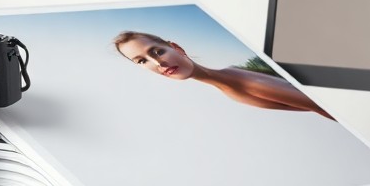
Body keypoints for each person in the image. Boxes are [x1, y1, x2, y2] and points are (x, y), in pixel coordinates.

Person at [113, 31, 334, 119]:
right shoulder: (228, 85)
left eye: (158, 51)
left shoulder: (237, 81)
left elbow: (324, 107)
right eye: (142, 61)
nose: (157, 63)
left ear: (176, 47)